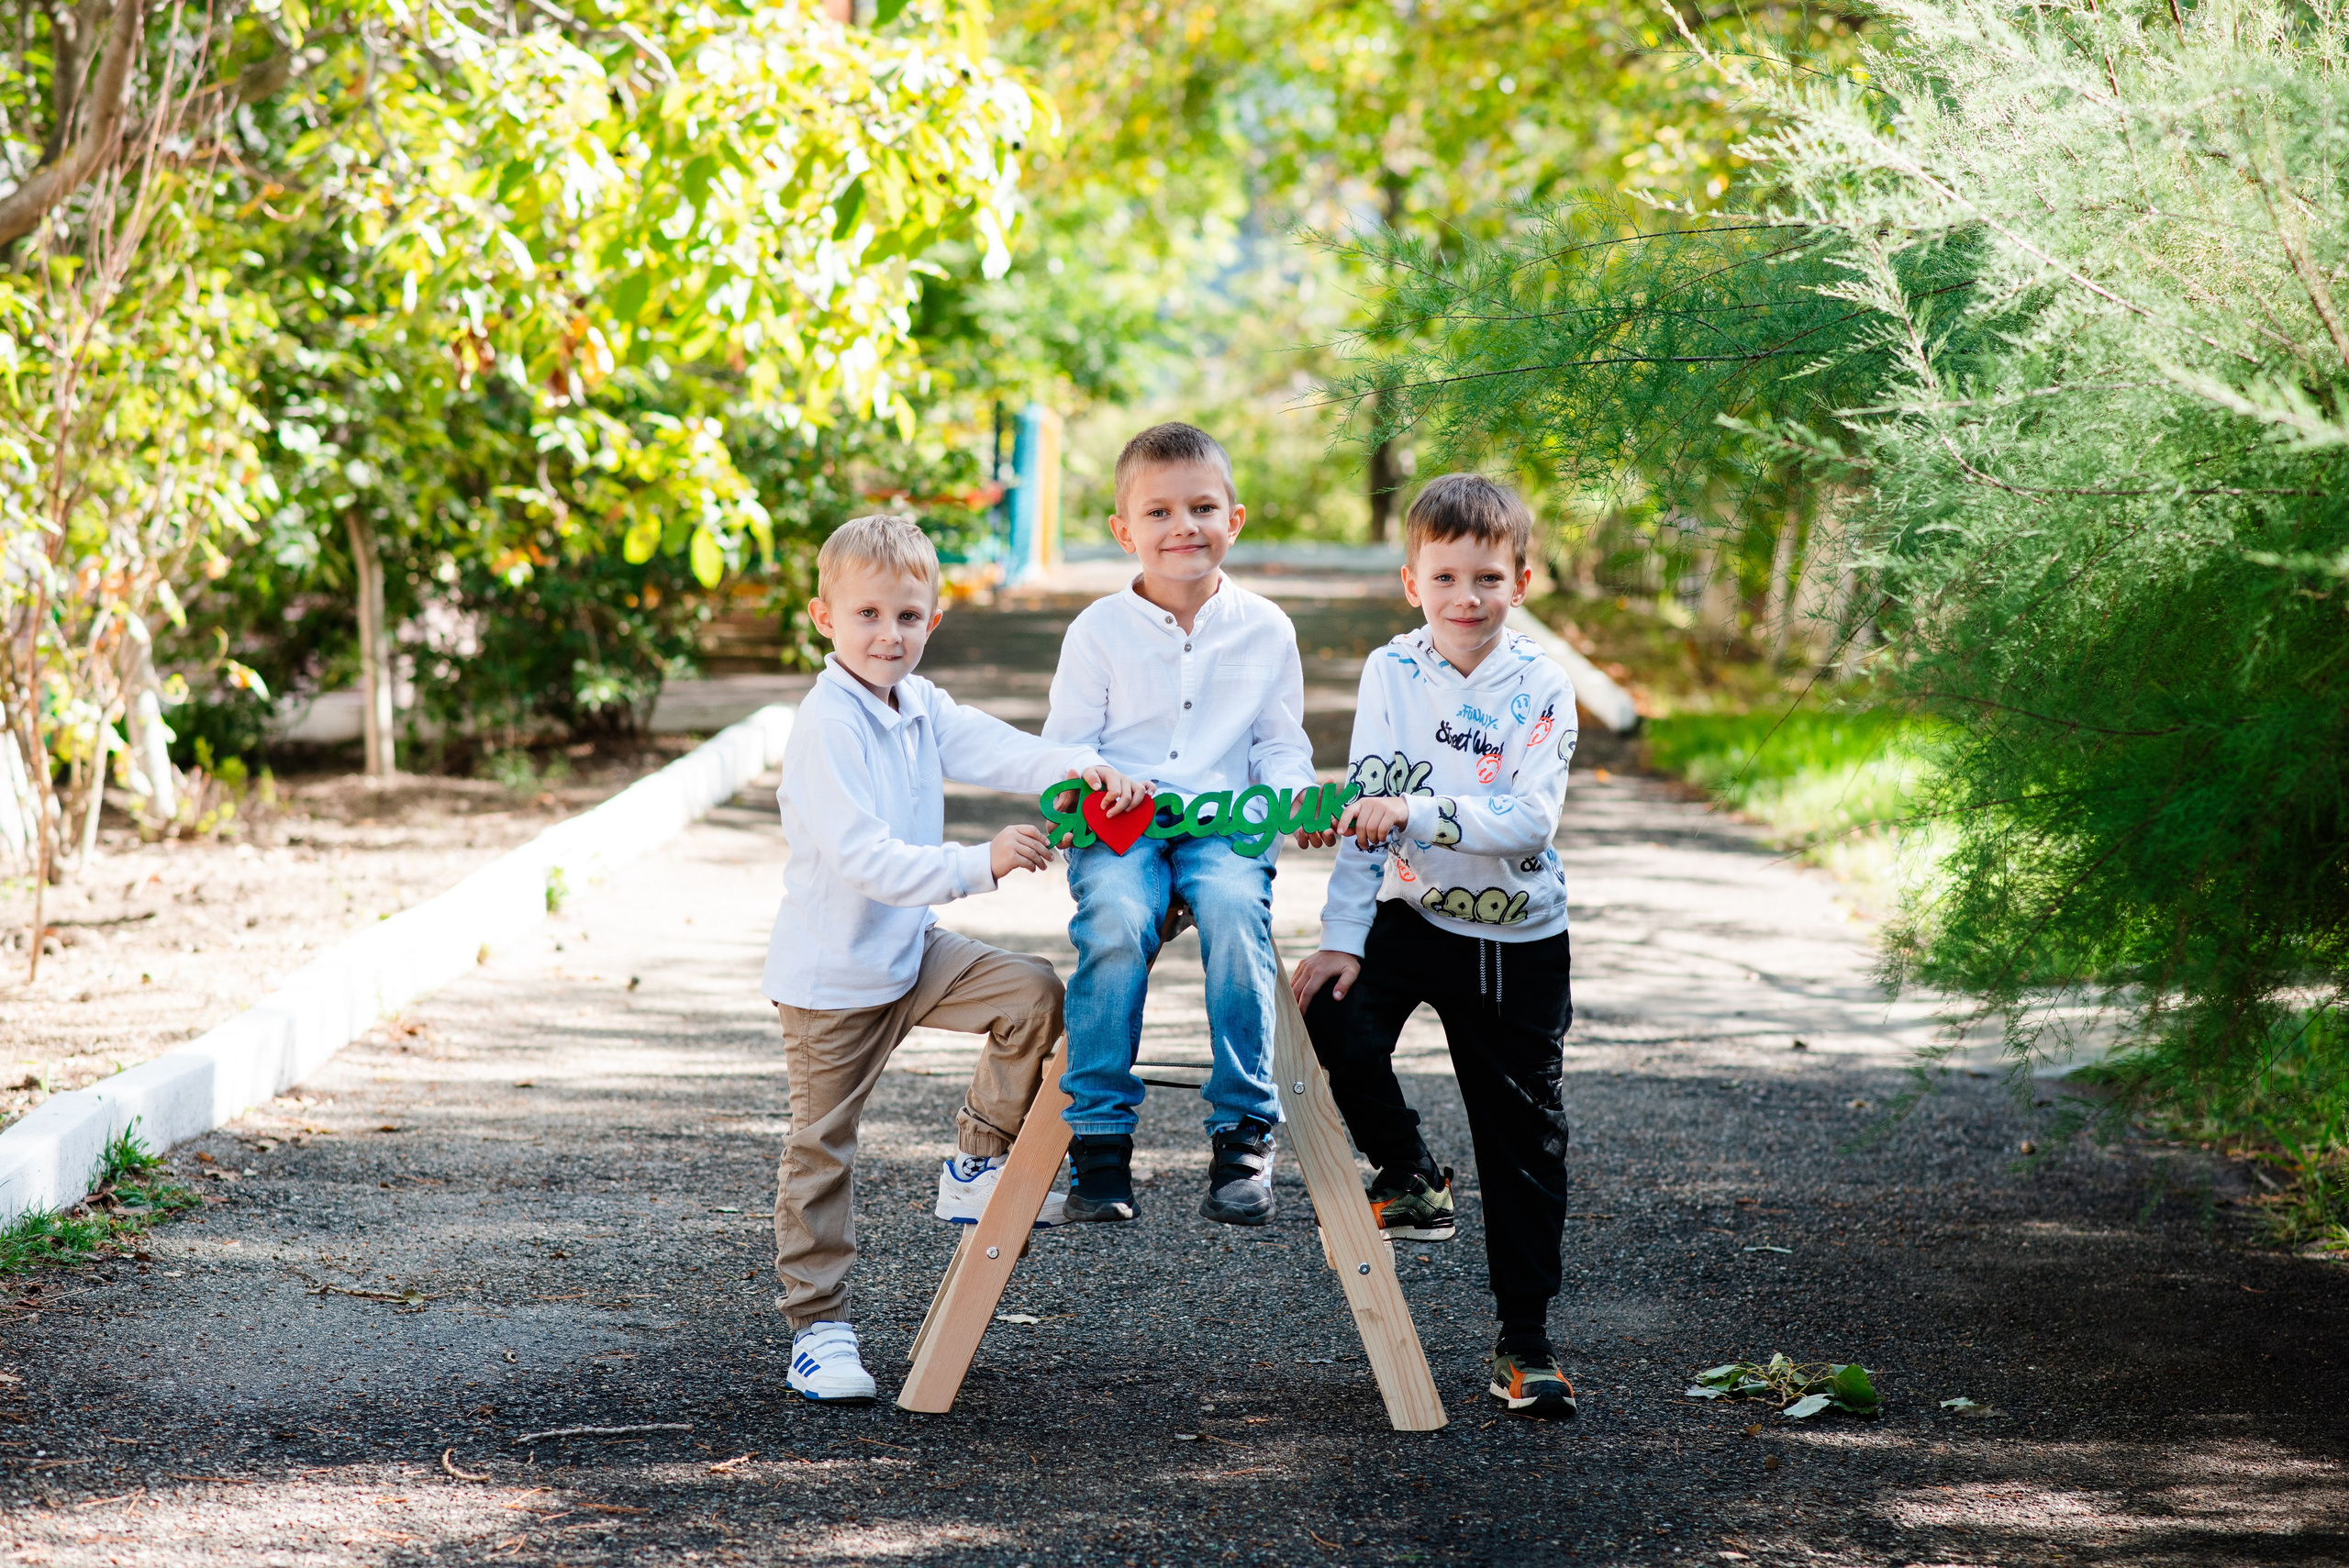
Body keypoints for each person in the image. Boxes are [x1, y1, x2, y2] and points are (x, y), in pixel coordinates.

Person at [763, 515, 1150, 1403]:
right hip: (833, 980)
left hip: (912, 951)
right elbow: (864, 858)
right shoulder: (828, 725)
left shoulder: (918, 703)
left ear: (932, 620)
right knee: (822, 1149)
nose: (887, 634)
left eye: (907, 615)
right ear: (823, 616)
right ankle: (818, 1328)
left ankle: (974, 1162)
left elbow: (999, 747)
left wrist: (1085, 766)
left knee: (1032, 993)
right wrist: (979, 862)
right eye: (867, 614)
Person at [1287, 473, 1583, 1420]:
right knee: (1327, 1008)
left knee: (1521, 1143)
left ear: (1522, 581)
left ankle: (1524, 1342)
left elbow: (1530, 819)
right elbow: (1365, 806)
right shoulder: (1390, 671)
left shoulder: (1539, 683)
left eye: (1487, 578)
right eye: (1446, 576)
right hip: (1412, 915)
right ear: (1411, 581)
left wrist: (1413, 808)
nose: (1467, 597)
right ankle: (1410, 1171)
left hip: (1514, 938)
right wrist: (1342, 933)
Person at [1042, 422, 1326, 1227]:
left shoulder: (1266, 628)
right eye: (1159, 512)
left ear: (1234, 519)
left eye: (1202, 506)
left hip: (1222, 825)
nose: (1182, 527)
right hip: (1123, 825)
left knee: (1239, 918)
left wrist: (1296, 795)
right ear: (1124, 530)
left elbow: (1278, 742)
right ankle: (1100, 1140)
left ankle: (1242, 1130)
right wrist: (1089, 774)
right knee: (1115, 920)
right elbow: (1065, 743)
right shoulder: (1097, 629)